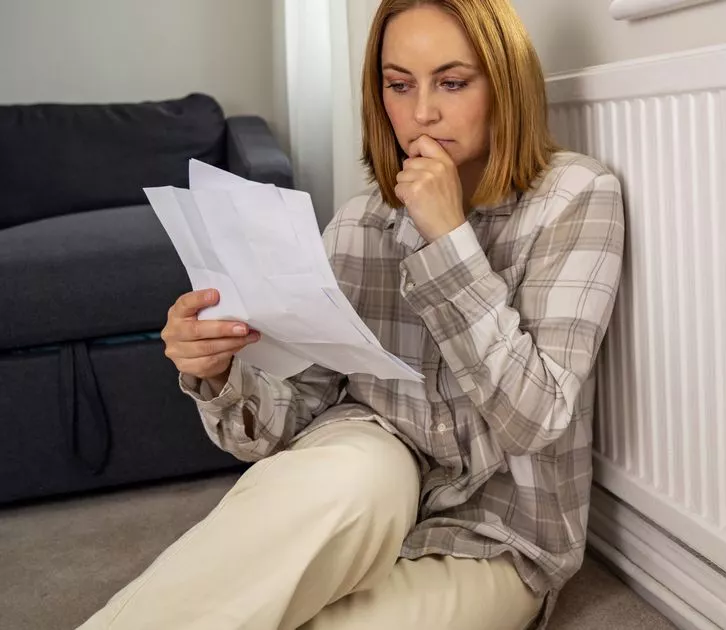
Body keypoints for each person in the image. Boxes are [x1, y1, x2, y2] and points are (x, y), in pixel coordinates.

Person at [78, 1, 624, 628]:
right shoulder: (360, 222)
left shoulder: (575, 198)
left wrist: (448, 240)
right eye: (399, 84)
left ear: (504, 82)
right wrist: (221, 373)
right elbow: (288, 424)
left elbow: (534, 421)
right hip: (369, 467)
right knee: (349, 473)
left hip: (496, 535)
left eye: (452, 81)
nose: (422, 112)